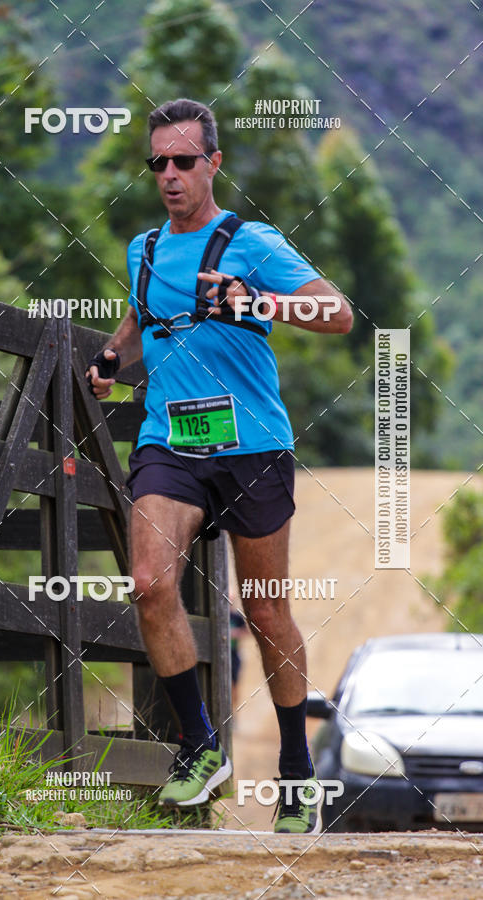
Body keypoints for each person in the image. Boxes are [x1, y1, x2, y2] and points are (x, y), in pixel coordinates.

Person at [86, 98, 352, 833]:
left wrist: (255, 302)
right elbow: (142, 320)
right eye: (158, 163)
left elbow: (336, 314)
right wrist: (112, 359)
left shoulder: (253, 241)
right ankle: (199, 745)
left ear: (213, 164)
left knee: (265, 608)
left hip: (254, 448)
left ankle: (296, 772)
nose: (169, 175)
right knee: (148, 582)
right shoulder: (143, 249)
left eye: (184, 161)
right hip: (171, 442)